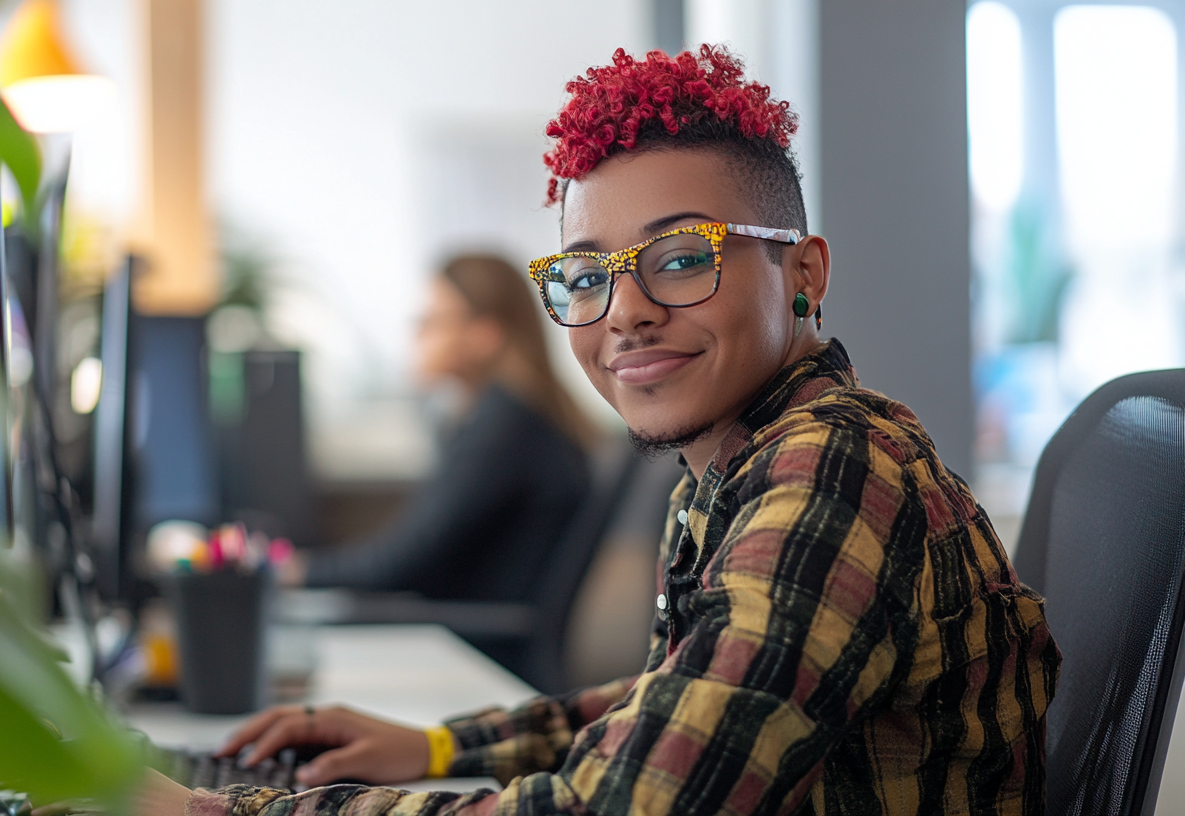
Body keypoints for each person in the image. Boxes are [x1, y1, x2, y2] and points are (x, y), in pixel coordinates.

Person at [138, 45, 1060, 816]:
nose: (624, 312)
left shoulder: (835, 466)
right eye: (587, 276)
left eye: (681, 257)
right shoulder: (732, 469)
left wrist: (220, 809)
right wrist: (433, 744)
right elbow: (679, 704)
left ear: (804, 273)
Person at [287, 254, 592, 602]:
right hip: (464, 626)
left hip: (475, 641)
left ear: (484, 335)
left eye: (430, 323)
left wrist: (294, 571)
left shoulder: (503, 427)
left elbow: (400, 564)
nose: (416, 335)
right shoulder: (506, 415)